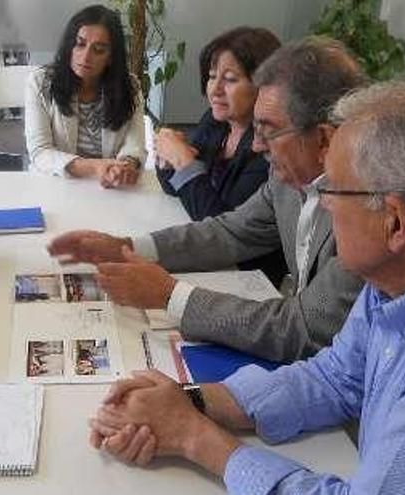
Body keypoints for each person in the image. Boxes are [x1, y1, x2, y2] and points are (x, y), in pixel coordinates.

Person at [89, 80, 405, 494]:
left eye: (334, 189)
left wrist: (195, 437)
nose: (319, 201)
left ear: (396, 222)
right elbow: (335, 377)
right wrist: (186, 402)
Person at [48, 37, 367, 362]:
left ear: (325, 139)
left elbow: (302, 330)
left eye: (268, 130)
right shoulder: (286, 177)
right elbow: (232, 231)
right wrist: (126, 247)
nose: (256, 145)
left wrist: (169, 295)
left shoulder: (365, 209)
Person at [155, 26, 280, 221]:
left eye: (230, 79)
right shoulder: (214, 122)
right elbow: (175, 188)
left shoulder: (267, 147)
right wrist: (167, 156)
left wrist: (182, 160)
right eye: (212, 77)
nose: (215, 90)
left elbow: (222, 226)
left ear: (263, 85)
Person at [24, 4, 145, 188]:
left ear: (111, 56)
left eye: (98, 50)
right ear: (69, 44)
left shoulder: (130, 86)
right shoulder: (41, 82)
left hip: (110, 188)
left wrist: (126, 166)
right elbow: (40, 151)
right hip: (57, 183)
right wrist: (94, 167)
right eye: (80, 44)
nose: (86, 56)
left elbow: (134, 144)